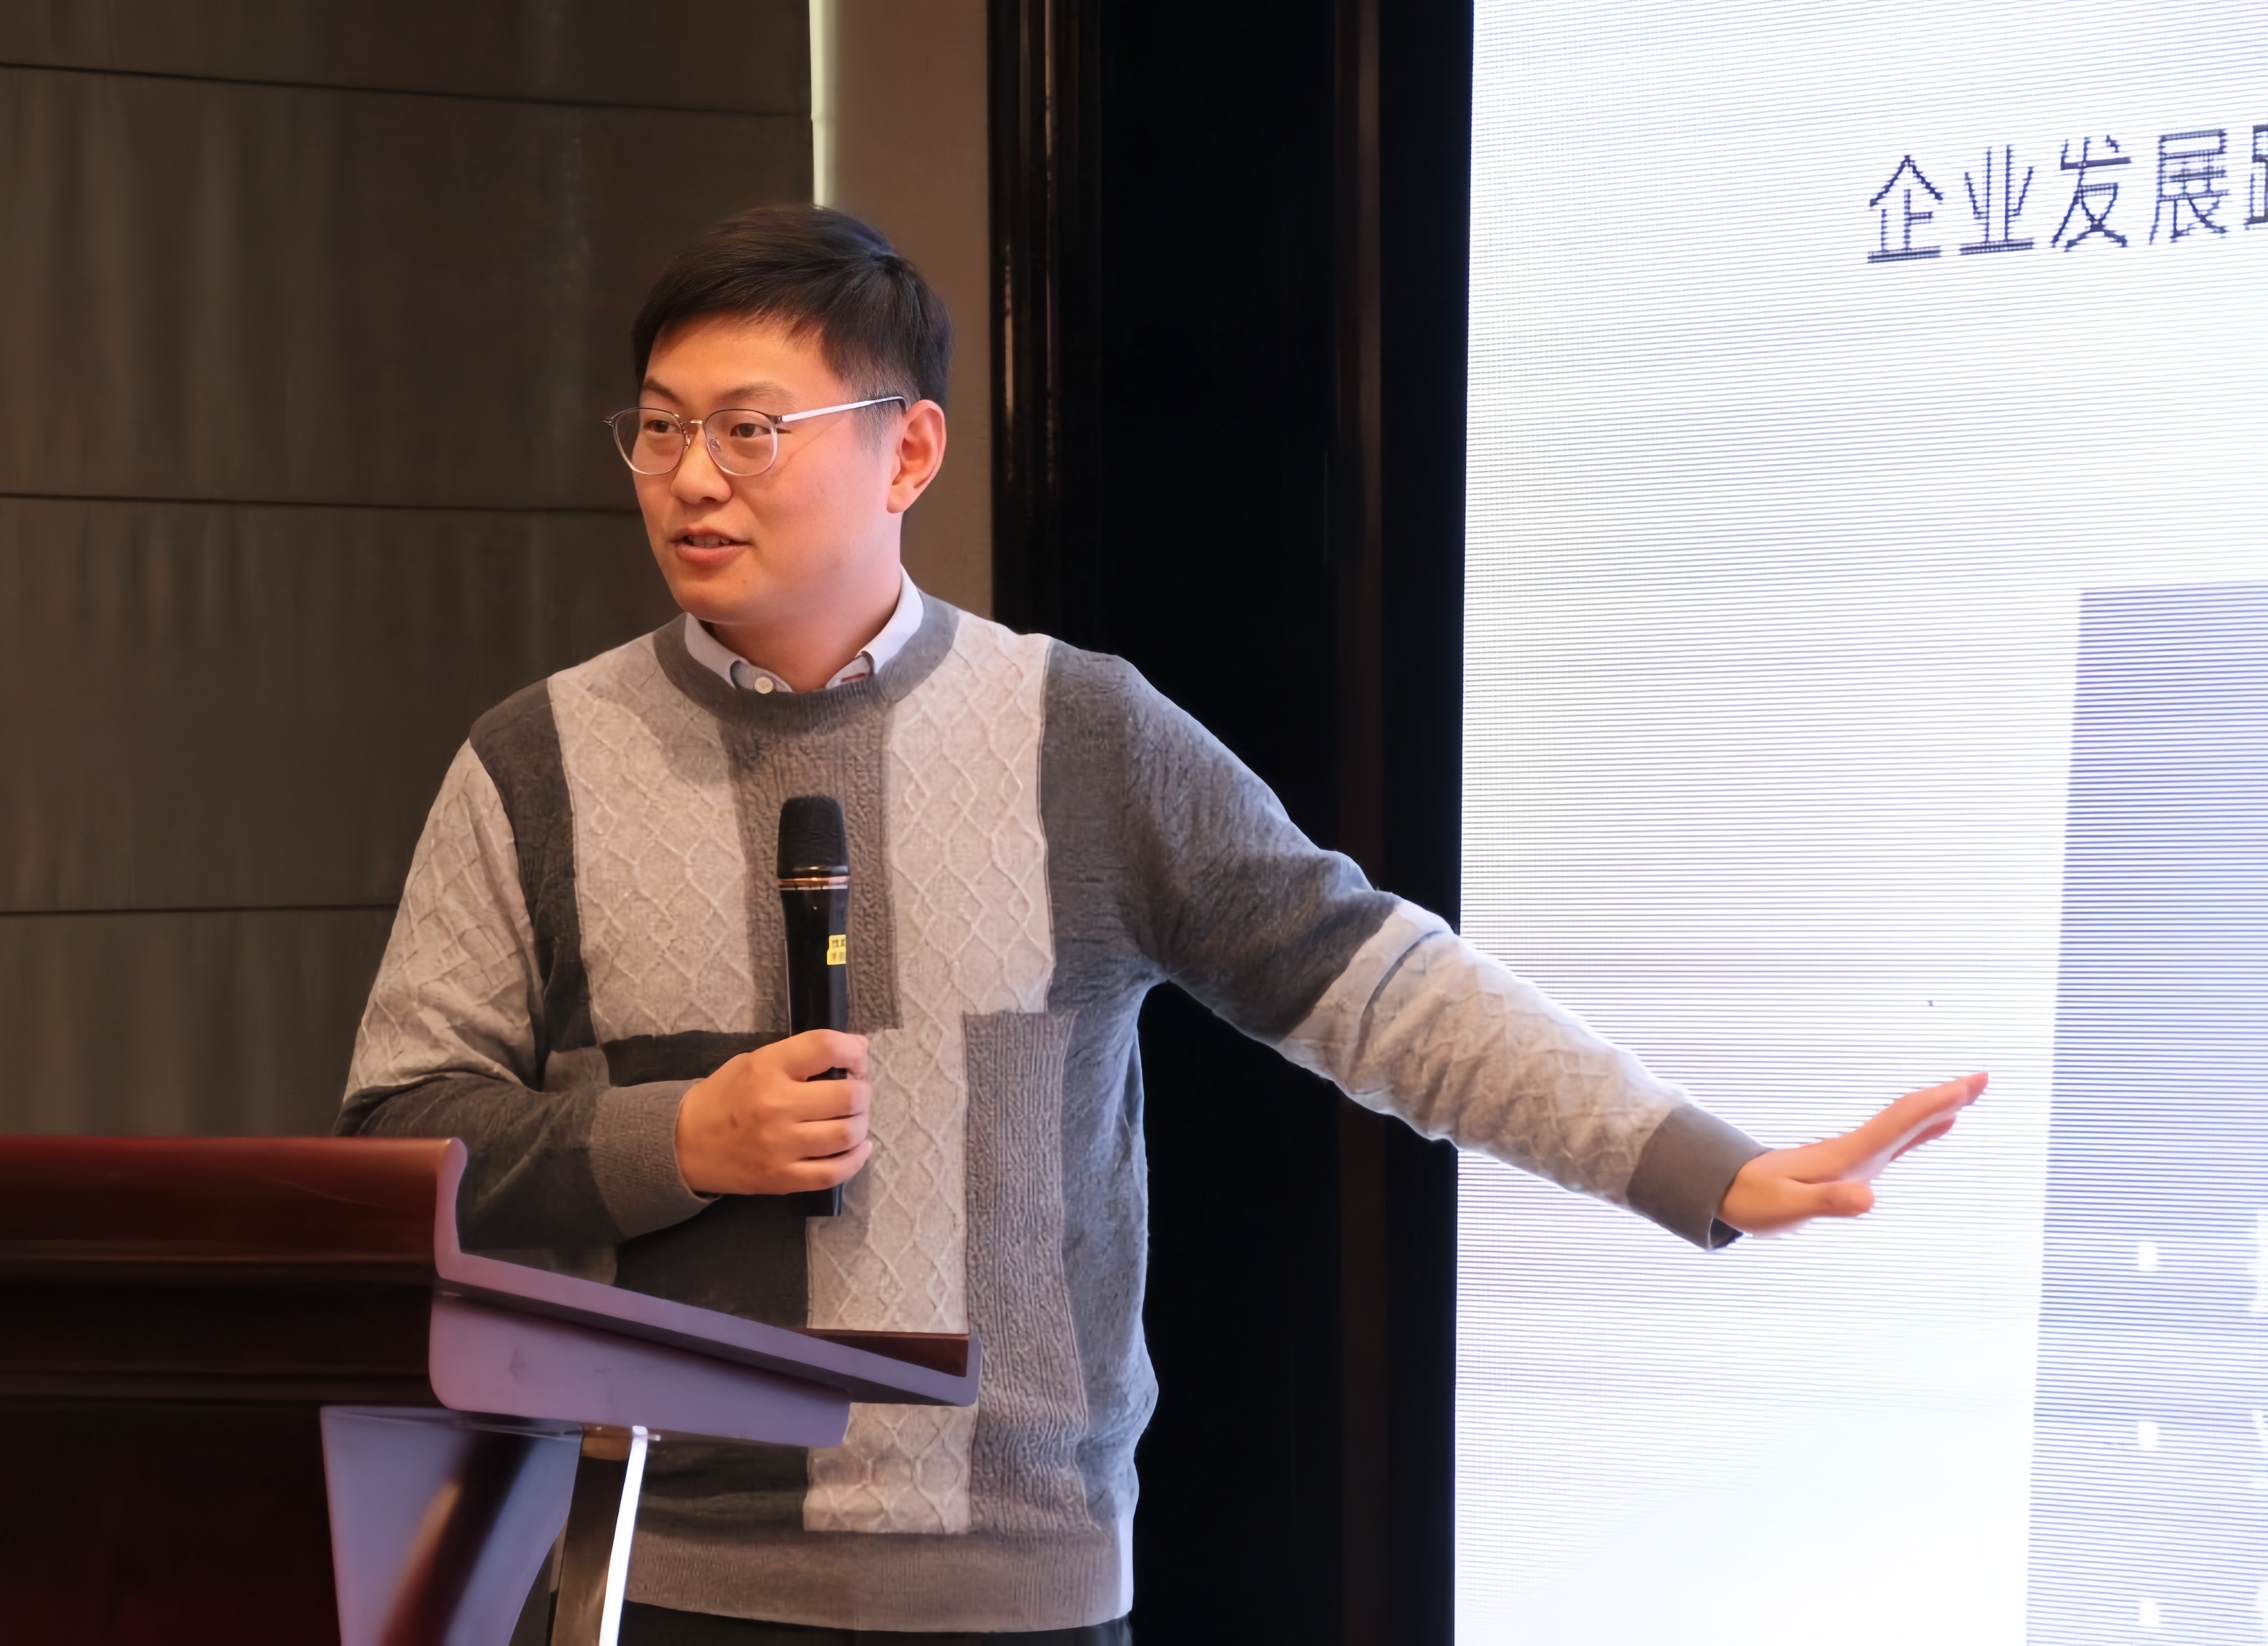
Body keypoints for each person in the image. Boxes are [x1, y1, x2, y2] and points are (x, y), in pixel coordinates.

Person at [336, 204, 1982, 1643]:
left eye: (752, 428)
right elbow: (400, 1137)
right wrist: (675, 1139)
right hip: (658, 1576)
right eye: (658, 428)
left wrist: (1698, 1166)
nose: (693, 476)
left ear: (908, 451)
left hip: (1021, 1584)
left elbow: (1374, 981)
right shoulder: (536, 762)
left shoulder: (1082, 736)